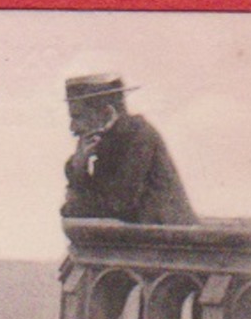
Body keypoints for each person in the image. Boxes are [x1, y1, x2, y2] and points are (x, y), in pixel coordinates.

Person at [62, 74, 197, 224]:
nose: (72, 128)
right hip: (142, 236)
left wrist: (72, 208)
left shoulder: (138, 136)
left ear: (106, 112)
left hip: (168, 239)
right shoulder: (109, 140)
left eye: (78, 117)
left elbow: (118, 206)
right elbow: (95, 198)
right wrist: (79, 167)